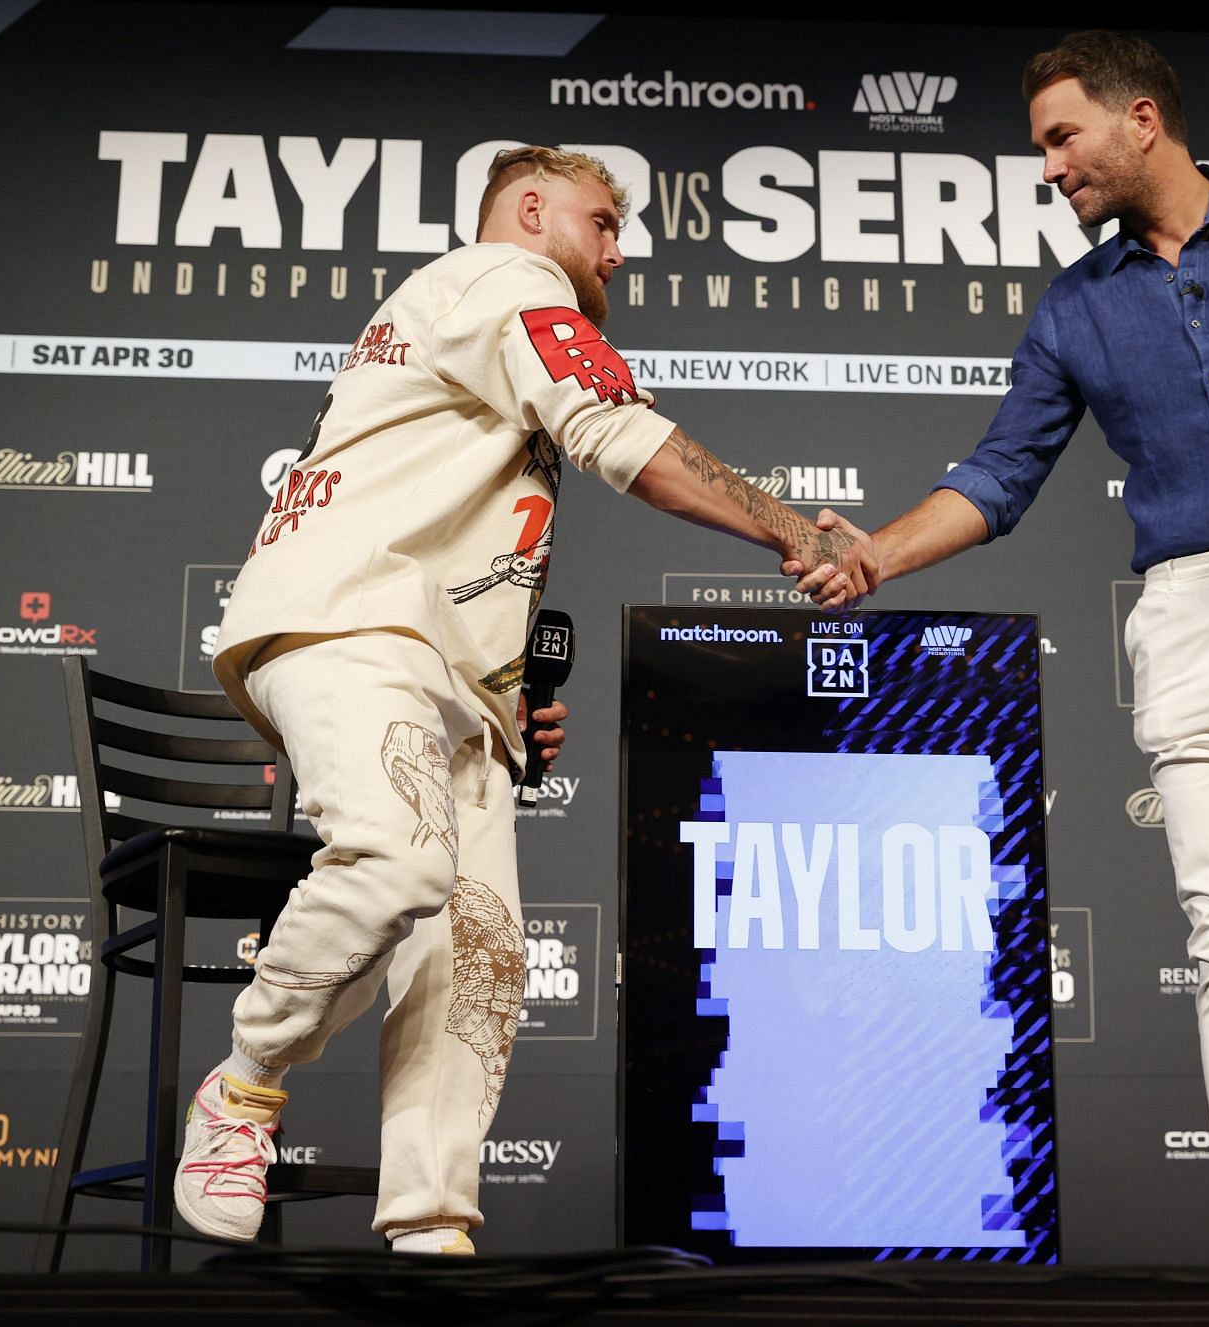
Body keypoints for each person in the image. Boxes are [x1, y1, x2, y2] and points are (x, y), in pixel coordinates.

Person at [792, 31, 1209, 1266]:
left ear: (1141, 119)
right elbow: (1002, 474)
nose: (1049, 167)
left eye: (1063, 138)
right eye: (1041, 146)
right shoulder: (1076, 305)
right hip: (1191, 619)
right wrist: (878, 554)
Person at [185, 145, 867, 1255]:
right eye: (603, 222)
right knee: (400, 862)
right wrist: (790, 526)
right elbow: (622, 438)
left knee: (481, 954)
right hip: (354, 627)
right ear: (533, 208)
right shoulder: (510, 281)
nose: (616, 250)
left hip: (444, 671)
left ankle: (431, 1231)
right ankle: (247, 1084)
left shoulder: (465, 311)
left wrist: (504, 701)